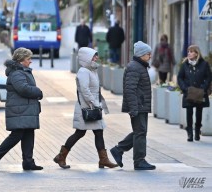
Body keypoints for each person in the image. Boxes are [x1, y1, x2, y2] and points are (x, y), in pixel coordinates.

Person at [53, 47, 118, 169]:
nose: (96, 58)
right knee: (79, 133)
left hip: (92, 107)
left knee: (98, 132)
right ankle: (61, 156)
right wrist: (95, 103)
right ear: (87, 58)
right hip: (86, 108)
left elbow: (94, 90)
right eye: (94, 56)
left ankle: (103, 160)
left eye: (96, 56)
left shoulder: (92, 70)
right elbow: (85, 90)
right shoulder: (83, 71)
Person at [0, 47, 43, 171]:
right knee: (17, 134)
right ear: (21, 60)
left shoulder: (22, 71)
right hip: (20, 109)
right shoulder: (17, 73)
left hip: (24, 108)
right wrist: (38, 91)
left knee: (28, 133)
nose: (30, 61)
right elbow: (23, 88)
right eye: (28, 59)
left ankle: (28, 162)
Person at [110, 41, 156, 170]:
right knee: (140, 132)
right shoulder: (135, 67)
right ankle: (139, 160)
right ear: (141, 54)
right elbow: (130, 89)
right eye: (148, 54)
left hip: (140, 105)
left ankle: (119, 150)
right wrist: (133, 108)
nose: (150, 56)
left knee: (140, 131)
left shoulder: (139, 66)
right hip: (138, 106)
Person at [177, 45, 212, 142]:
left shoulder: (204, 64)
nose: (189, 53)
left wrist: (203, 88)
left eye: (191, 51)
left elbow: (209, 77)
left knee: (199, 112)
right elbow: (180, 78)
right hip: (189, 92)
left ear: (197, 53)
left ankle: (197, 130)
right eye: (188, 51)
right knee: (189, 111)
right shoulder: (185, 65)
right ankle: (189, 133)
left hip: (200, 92)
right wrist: (185, 88)